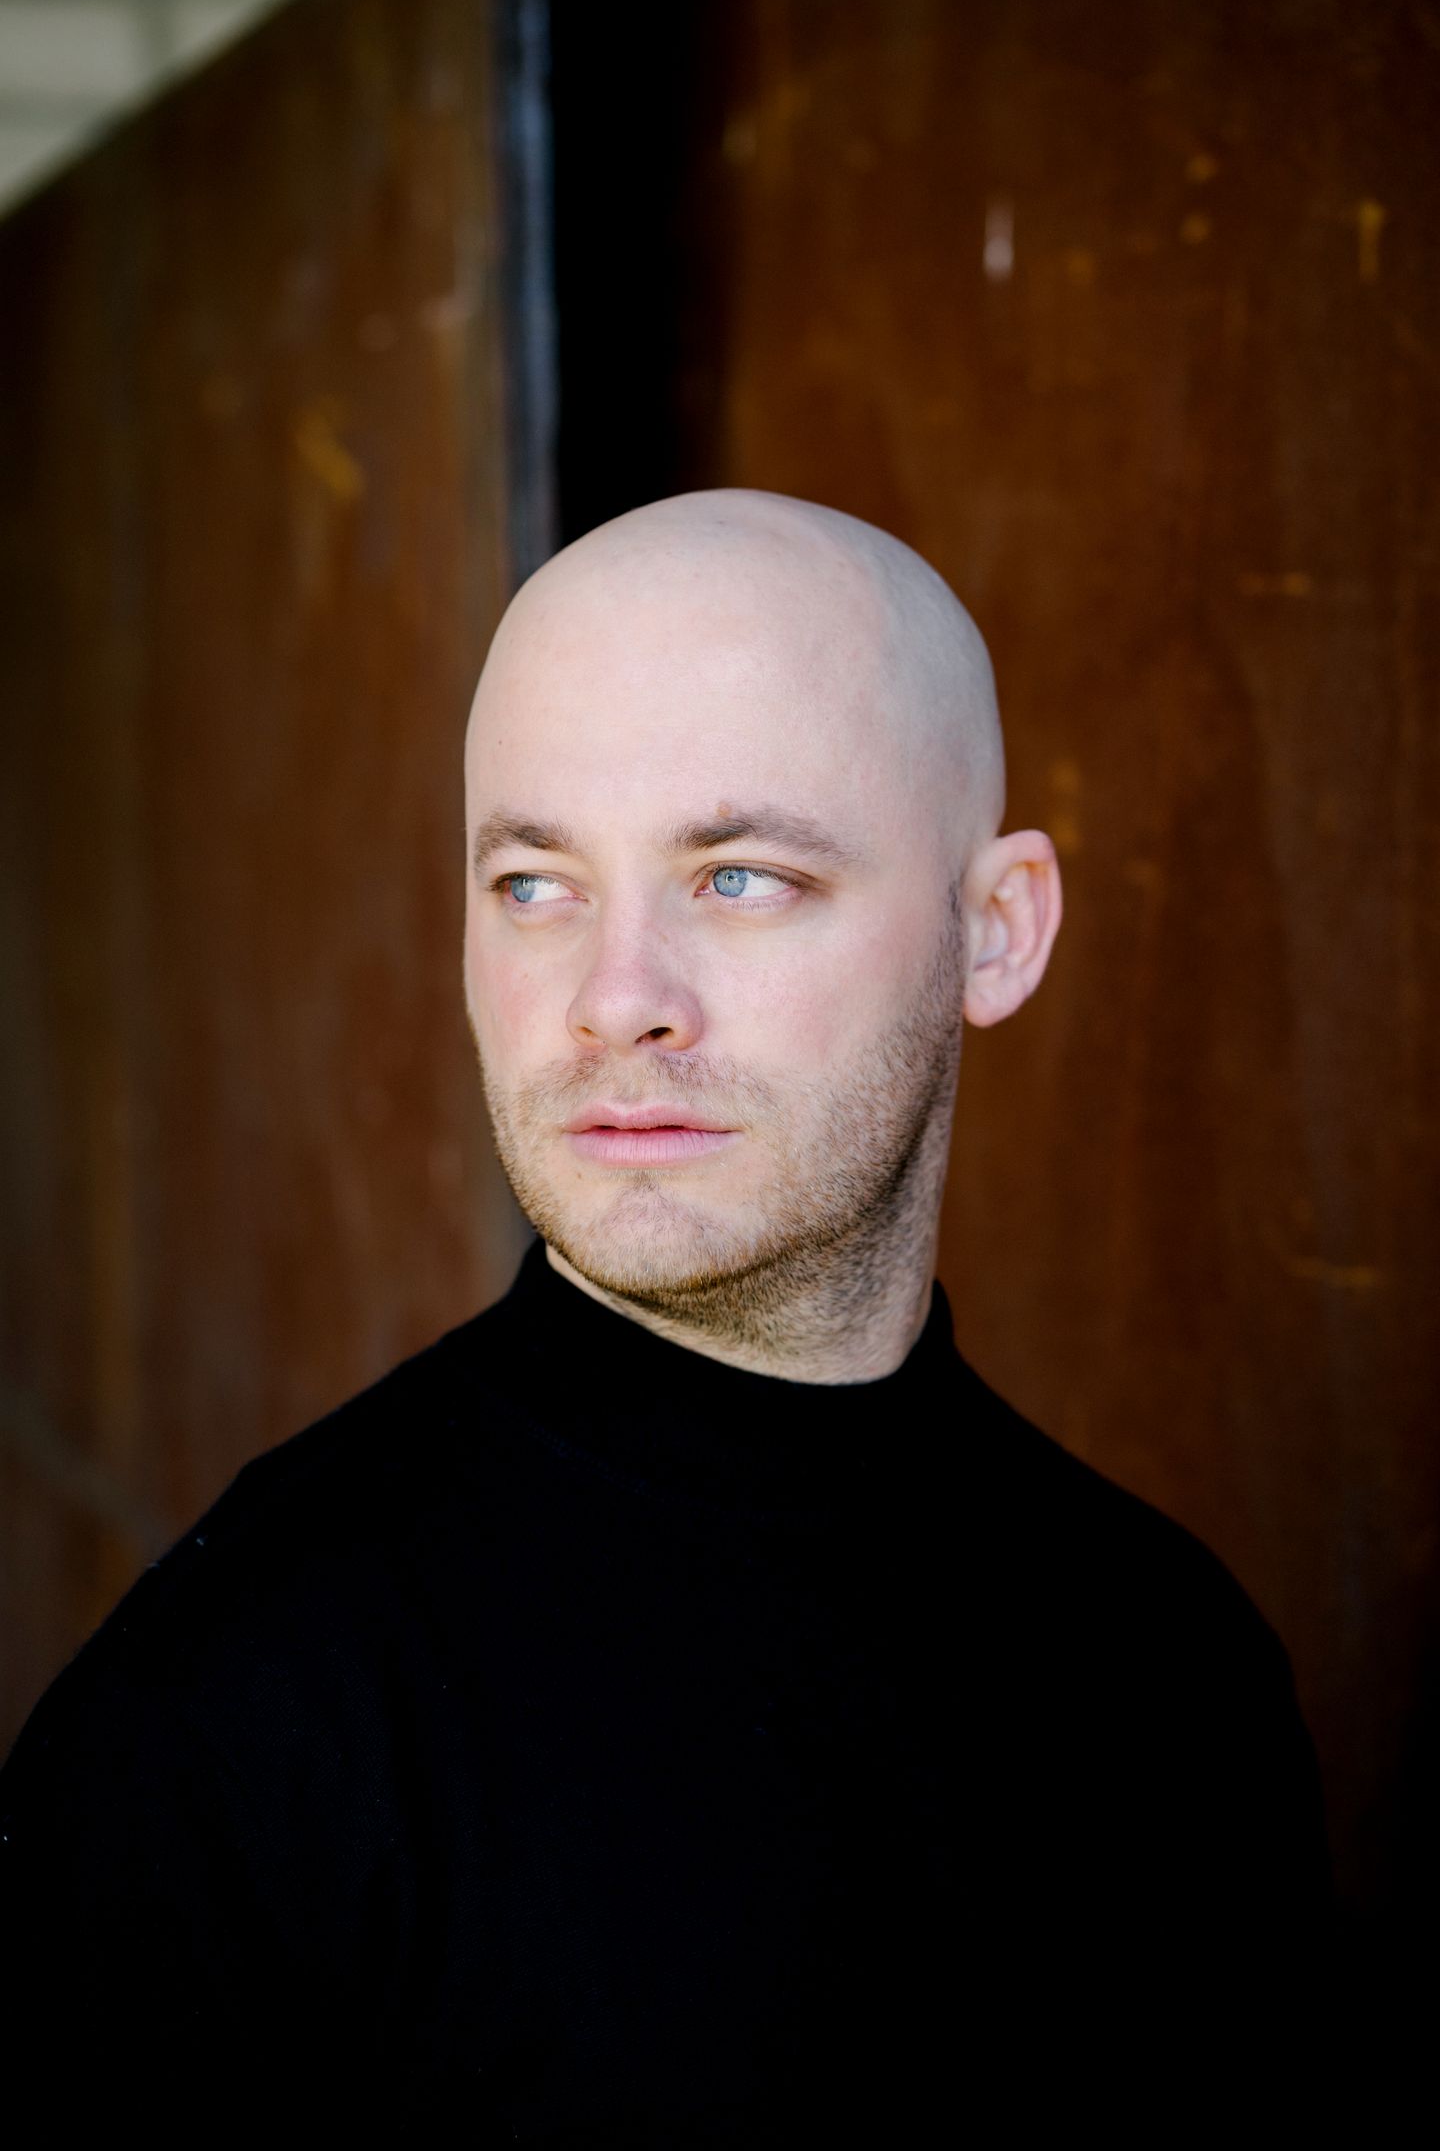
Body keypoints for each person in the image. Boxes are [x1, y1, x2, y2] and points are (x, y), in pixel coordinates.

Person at [1, 492, 1329, 2131]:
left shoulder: (1178, 1671)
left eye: (740, 878)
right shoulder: (226, 1737)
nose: (615, 1000)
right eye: (535, 885)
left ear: (996, 933)